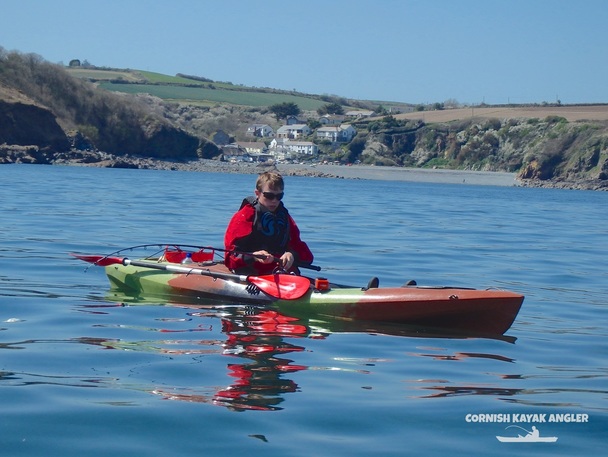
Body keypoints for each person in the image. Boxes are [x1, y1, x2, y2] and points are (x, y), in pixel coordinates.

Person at [224, 171, 313, 275]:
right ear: (257, 193)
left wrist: (292, 254)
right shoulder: (244, 216)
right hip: (251, 272)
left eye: (279, 196)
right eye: (269, 196)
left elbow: (307, 255)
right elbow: (230, 258)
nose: (274, 201)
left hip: (280, 272)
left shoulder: (285, 218)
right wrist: (253, 256)